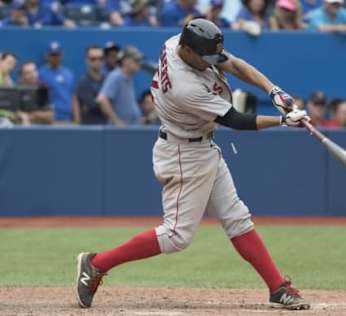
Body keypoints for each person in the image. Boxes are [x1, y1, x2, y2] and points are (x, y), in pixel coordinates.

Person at [76, 18, 310, 311]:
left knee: (237, 217)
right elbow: (235, 121)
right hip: (183, 154)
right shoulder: (184, 87)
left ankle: (277, 288)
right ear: (188, 51)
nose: (211, 63)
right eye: (205, 58)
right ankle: (96, 263)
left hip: (201, 146)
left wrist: (273, 90)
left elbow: (232, 64)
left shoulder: (178, 42)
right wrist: (282, 121)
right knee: (176, 236)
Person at [96, 46, 143, 126]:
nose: (139, 63)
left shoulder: (128, 77)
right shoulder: (116, 76)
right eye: (136, 60)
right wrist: (116, 121)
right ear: (125, 61)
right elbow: (102, 100)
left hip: (130, 128)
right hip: (119, 132)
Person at [39, 41, 79, 124]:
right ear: (47, 56)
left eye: (57, 55)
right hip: (49, 119)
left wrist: (77, 119)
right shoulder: (41, 74)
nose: (55, 58)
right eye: (52, 55)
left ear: (61, 56)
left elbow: (73, 97)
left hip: (67, 118)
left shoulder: (69, 74)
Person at [73, 45, 106, 125]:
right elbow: (93, 105)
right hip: (90, 128)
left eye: (100, 58)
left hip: (108, 127)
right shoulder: (83, 82)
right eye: (93, 59)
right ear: (87, 60)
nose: (97, 62)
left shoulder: (108, 80)